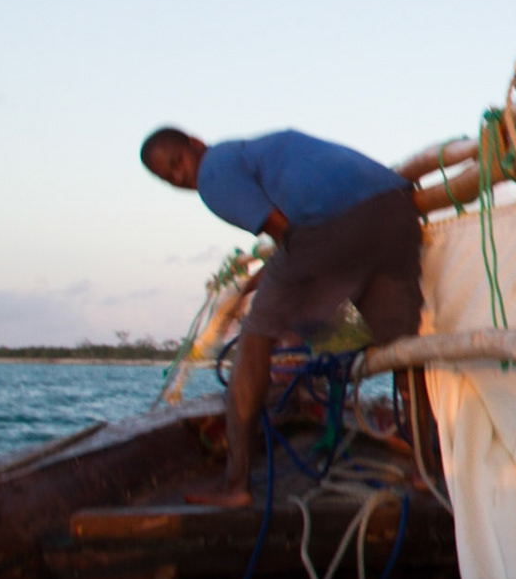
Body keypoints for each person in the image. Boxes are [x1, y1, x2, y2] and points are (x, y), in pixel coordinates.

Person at [141, 127, 426, 507]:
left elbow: (285, 233)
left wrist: (257, 294)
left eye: (176, 164)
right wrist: (260, 284)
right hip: (396, 209)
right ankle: (428, 470)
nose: (179, 178)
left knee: (256, 335)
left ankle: (235, 484)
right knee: (402, 349)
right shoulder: (255, 151)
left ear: (195, 143)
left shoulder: (212, 173)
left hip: (334, 223)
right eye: (167, 178)